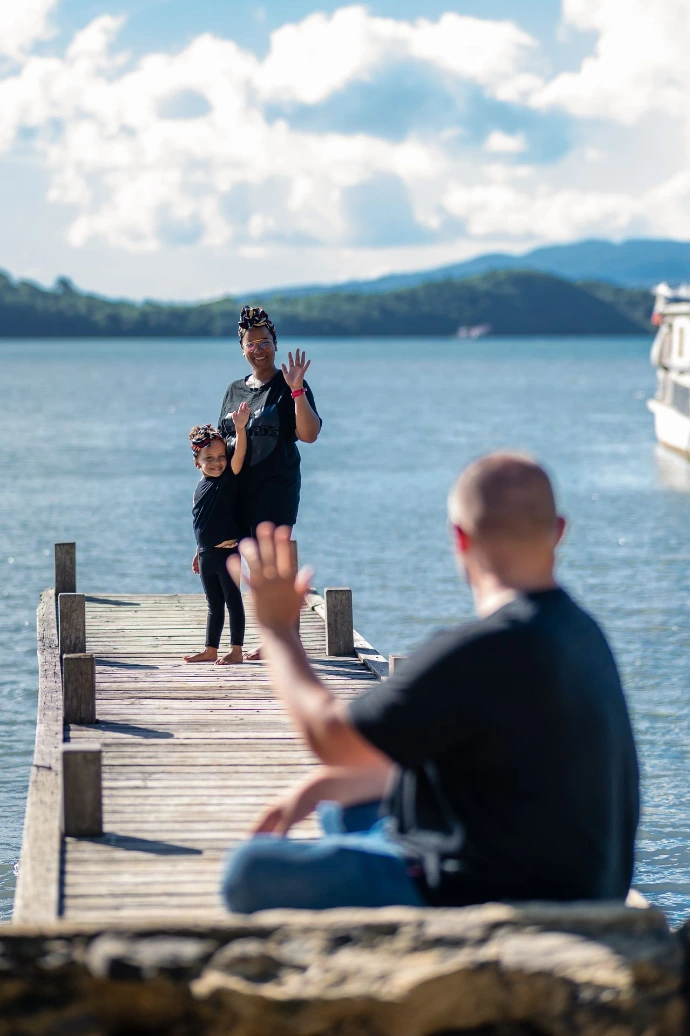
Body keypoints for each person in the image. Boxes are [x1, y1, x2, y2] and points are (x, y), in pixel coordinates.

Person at [220, 452, 640, 912]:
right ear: (559, 532)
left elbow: (331, 737)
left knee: (249, 870)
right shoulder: (582, 632)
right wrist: (316, 788)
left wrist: (278, 631)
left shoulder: (481, 649)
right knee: (343, 805)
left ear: (460, 538)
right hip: (591, 885)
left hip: (497, 892)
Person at [216, 306, 322, 658]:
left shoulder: (291, 383)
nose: (258, 348)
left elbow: (309, 435)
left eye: (265, 342)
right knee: (248, 565)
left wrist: (296, 392)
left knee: (273, 564)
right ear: (242, 349)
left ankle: (283, 638)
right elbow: (222, 443)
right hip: (238, 490)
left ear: (275, 345)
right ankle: (269, 635)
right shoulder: (233, 390)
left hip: (276, 488)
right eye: (251, 343)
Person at [184, 406, 250, 665]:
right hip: (207, 554)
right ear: (197, 462)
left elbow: (240, 455)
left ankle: (236, 649)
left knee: (233, 602)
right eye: (209, 459)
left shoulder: (228, 478)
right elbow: (201, 523)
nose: (217, 463)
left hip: (227, 553)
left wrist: (241, 428)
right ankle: (210, 648)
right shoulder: (200, 487)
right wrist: (198, 552)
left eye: (221, 456)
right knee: (213, 605)